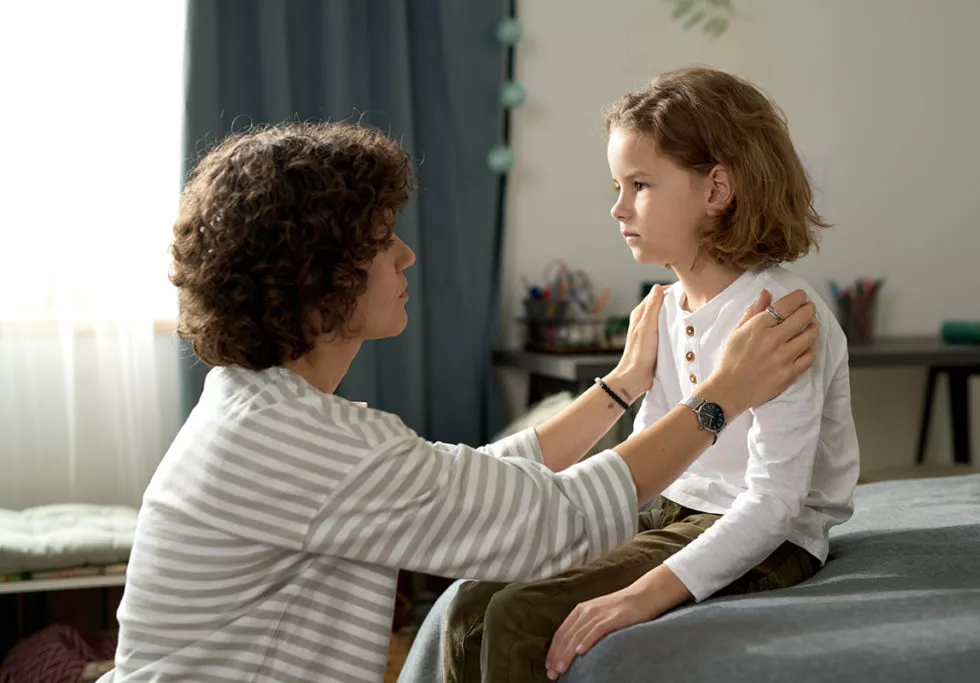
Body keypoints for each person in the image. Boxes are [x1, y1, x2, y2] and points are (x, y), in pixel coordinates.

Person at [99, 121, 818, 683]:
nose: (407, 256)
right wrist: (723, 395)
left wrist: (621, 388)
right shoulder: (291, 441)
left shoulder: (257, 406)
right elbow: (547, 521)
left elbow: (465, 481)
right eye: (383, 241)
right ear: (321, 276)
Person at [434, 67, 860, 683]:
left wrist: (641, 594)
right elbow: (655, 453)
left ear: (717, 190)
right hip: (671, 509)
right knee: (472, 603)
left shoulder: (781, 316)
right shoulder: (662, 307)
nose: (617, 207)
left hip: (768, 535)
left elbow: (774, 502)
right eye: (618, 184)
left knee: (521, 617)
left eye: (639, 185)